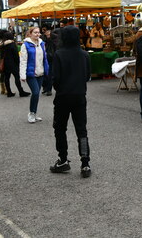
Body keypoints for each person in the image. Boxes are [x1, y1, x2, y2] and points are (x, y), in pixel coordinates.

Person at [50, 25, 92, 178]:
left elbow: (55, 78)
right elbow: (87, 76)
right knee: (81, 130)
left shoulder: (59, 54)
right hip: (80, 95)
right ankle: (85, 162)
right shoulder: (84, 55)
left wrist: (60, 88)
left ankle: (63, 159)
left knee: (60, 128)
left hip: (62, 96)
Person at [20, 27, 49, 123]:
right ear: (30, 33)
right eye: (35, 32)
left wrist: (46, 70)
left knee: (37, 94)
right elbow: (23, 61)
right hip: (30, 74)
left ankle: (34, 113)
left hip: (40, 72)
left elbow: (44, 58)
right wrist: (22, 75)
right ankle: (31, 113)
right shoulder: (26, 45)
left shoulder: (42, 43)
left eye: (38, 32)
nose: (37, 34)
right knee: (36, 92)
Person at [0, 31, 30, 98]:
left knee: (7, 78)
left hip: (5, 64)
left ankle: (9, 92)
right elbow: (16, 55)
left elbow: (1, 55)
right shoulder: (12, 44)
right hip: (13, 63)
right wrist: (18, 63)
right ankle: (21, 91)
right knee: (16, 78)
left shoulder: (2, 44)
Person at [41, 28, 58, 96]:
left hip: (51, 58)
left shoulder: (54, 37)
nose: (47, 33)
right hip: (44, 57)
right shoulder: (42, 37)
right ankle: (45, 88)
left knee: (49, 74)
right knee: (44, 74)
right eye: (45, 31)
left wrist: (49, 38)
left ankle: (49, 89)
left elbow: (56, 46)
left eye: (48, 31)